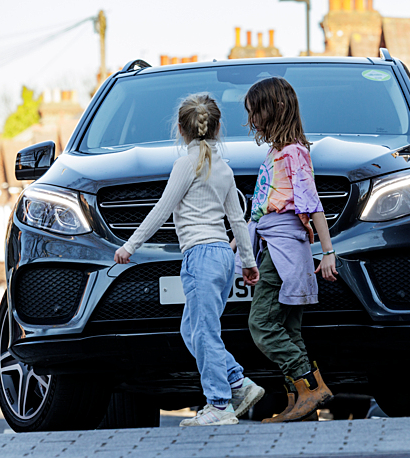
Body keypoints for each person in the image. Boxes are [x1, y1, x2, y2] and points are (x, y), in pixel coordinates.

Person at [114, 93, 264, 427]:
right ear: (217, 128)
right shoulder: (223, 168)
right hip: (224, 257)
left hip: (200, 257)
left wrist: (130, 245)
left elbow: (162, 210)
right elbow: (238, 220)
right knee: (192, 330)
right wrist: (249, 262)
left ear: (181, 130)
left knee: (205, 332)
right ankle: (238, 382)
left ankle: (219, 404)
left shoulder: (186, 165)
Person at [238, 76, 336, 423]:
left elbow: (312, 203)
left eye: (255, 112)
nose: (252, 121)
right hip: (276, 245)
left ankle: (309, 387)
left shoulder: (293, 153)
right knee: (289, 328)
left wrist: (328, 251)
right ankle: (301, 400)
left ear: (275, 109)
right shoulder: (277, 152)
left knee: (262, 323)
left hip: (283, 251)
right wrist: (239, 239)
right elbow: (263, 205)